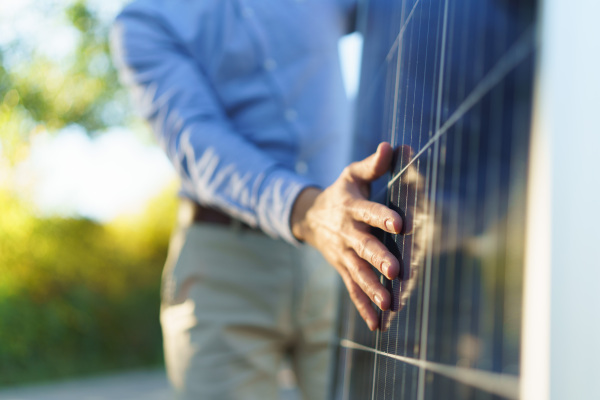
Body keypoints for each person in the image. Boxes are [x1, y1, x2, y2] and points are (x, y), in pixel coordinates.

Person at [110, 1, 403, 399]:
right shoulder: (146, 21)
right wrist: (309, 211)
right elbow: (197, 141)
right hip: (224, 270)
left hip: (340, 257)